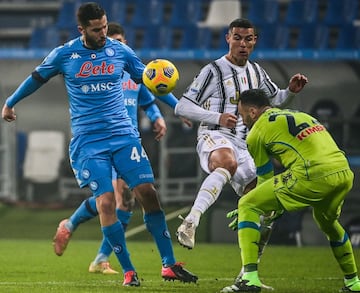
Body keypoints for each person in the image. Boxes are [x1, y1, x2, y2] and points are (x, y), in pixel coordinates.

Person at [1, 2, 197, 287]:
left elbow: (152, 82)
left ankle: (168, 265)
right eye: (97, 29)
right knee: (107, 202)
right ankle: (128, 271)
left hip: (123, 135)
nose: (103, 33)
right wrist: (10, 103)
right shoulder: (65, 54)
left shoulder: (120, 52)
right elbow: (36, 78)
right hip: (89, 142)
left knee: (147, 194)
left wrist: (180, 109)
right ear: (82, 30)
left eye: (105, 26)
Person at [52, 22, 189, 276]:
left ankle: (79, 232)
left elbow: (149, 97)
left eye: (120, 42)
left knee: (120, 201)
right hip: (98, 141)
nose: (115, 46)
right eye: (112, 40)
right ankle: (101, 258)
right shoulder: (97, 72)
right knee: (117, 200)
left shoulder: (134, 75)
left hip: (126, 141)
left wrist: (159, 116)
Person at [174, 17, 307, 250]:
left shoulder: (256, 71)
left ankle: (248, 274)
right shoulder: (213, 70)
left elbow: (275, 100)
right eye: (237, 38)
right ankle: (190, 221)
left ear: (254, 41)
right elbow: (182, 107)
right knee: (227, 162)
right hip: (214, 135)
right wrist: (218, 117)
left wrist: (291, 92)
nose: (242, 44)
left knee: (265, 203)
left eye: (248, 39)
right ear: (228, 39)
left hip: (245, 144)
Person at [221, 88, 360, 292]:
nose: (242, 120)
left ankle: (249, 280)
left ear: (252, 112)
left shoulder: (256, 133)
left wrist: (254, 211)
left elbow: (265, 178)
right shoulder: (300, 114)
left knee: (247, 204)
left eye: (242, 115)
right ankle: (353, 282)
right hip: (343, 172)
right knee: (327, 222)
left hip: (312, 174)